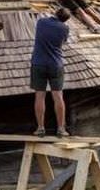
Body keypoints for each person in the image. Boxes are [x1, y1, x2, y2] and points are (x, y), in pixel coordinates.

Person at [31, 8, 72, 138]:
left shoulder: (42, 22)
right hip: (56, 64)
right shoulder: (65, 28)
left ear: (55, 13)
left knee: (40, 96)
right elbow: (63, 42)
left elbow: (44, 16)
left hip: (38, 63)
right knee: (58, 97)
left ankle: (40, 128)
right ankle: (61, 129)